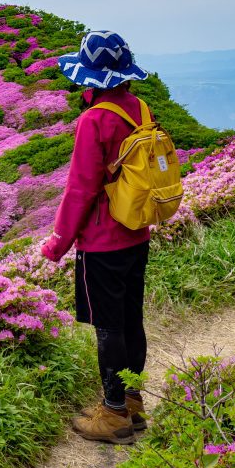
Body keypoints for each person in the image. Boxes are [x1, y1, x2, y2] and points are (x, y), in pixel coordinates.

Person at [41, 30, 152, 445]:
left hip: (103, 242)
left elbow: (81, 188)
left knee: (108, 327)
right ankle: (133, 401)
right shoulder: (138, 107)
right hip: (137, 232)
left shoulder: (94, 120)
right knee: (130, 319)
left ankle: (114, 415)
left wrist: (57, 243)